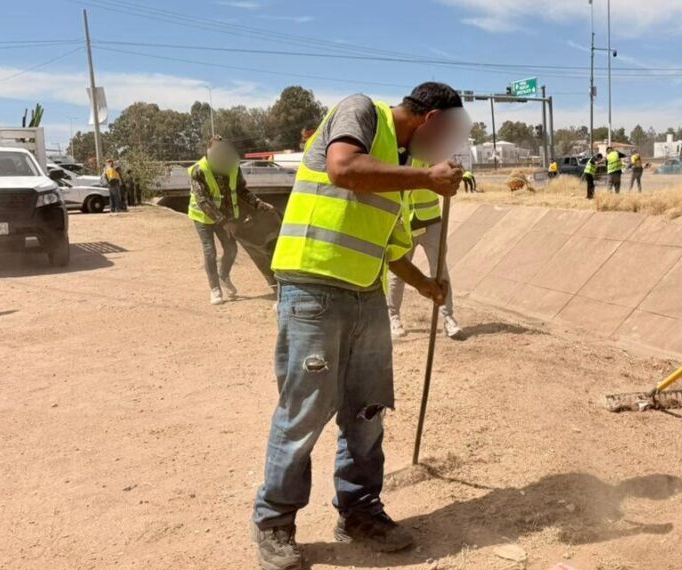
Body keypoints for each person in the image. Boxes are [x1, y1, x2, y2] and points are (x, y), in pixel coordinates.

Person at [252, 82, 470, 570]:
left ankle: (359, 510)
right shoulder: (361, 113)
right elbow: (343, 169)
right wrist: (425, 179)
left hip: (365, 292)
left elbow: (392, 247)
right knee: (305, 412)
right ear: (431, 120)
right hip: (312, 286)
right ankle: (275, 523)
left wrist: (424, 284)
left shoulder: (405, 170)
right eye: (445, 138)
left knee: (367, 411)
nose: (441, 152)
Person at [188, 137, 278, 305]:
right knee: (210, 250)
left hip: (225, 215)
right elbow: (203, 201)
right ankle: (215, 288)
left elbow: (241, 191)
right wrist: (223, 222)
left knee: (231, 249)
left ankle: (223, 275)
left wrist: (259, 204)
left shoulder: (233, 168)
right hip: (202, 216)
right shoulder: (199, 170)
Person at [387, 189, 464, 340]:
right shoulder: (397, 163)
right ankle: (393, 317)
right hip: (403, 222)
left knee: (440, 272)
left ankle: (448, 318)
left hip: (431, 219)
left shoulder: (432, 162)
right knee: (398, 272)